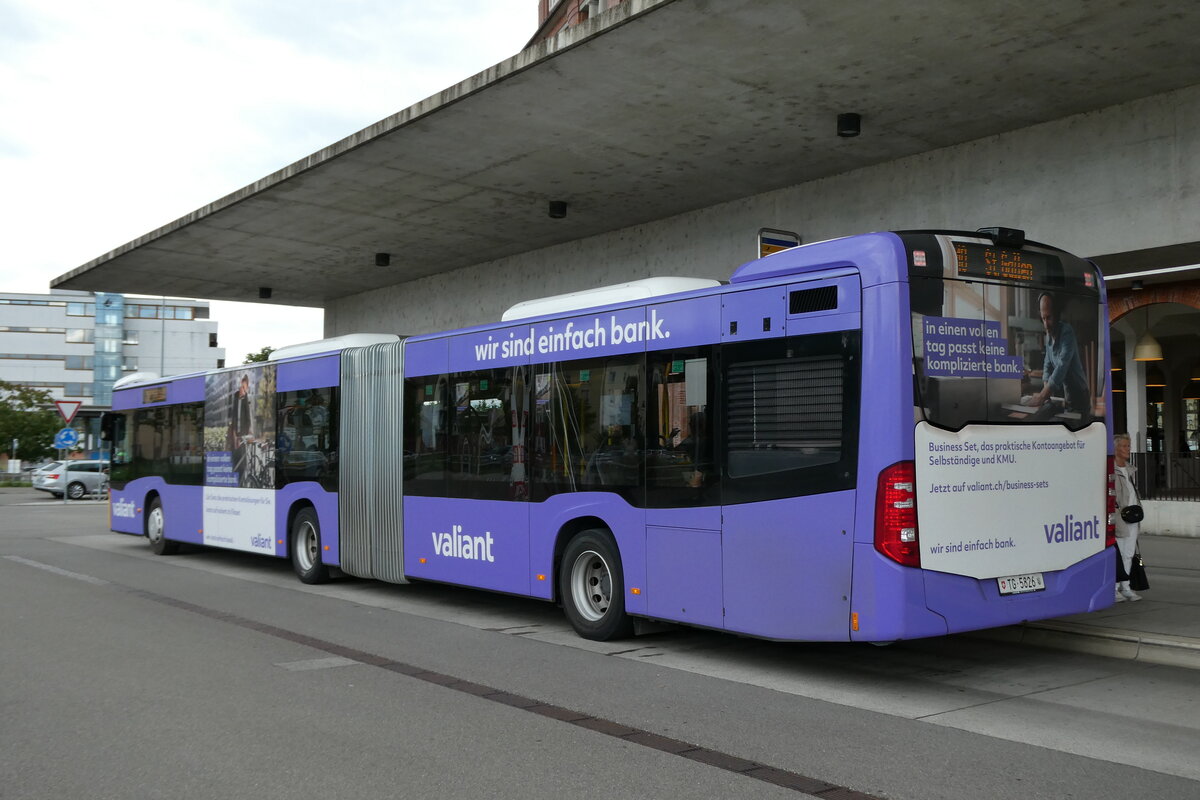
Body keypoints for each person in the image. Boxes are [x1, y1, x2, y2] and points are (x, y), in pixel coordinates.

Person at [1027, 292, 1089, 413]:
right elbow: (1047, 365)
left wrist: (1042, 396)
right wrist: (1046, 389)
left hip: (1080, 395)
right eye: (1043, 319)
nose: (1046, 325)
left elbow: (1062, 366)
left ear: (1056, 315)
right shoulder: (1048, 337)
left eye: (1049, 318)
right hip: (1068, 394)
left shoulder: (1067, 332)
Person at [1113, 433, 1142, 602]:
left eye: (1128, 446)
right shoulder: (1111, 470)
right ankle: (1114, 588)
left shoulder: (1130, 469)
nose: (1128, 449)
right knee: (1119, 552)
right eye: (1124, 446)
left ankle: (1126, 587)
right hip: (1119, 518)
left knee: (1129, 553)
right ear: (1115, 448)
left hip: (1132, 518)